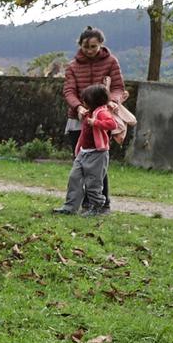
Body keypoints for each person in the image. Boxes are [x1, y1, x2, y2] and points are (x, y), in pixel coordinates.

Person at [61, 27, 126, 209]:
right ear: (80, 45)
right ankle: (78, 204)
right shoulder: (73, 66)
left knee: (97, 166)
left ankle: (101, 204)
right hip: (78, 119)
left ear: (101, 45)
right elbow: (69, 91)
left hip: (101, 119)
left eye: (93, 46)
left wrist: (112, 101)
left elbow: (118, 87)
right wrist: (79, 107)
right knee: (79, 165)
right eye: (85, 46)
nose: (89, 50)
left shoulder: (111, 62)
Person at [55, 84, 120, 217]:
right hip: (83, 152)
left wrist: (95, 123)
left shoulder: (102, 112)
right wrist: (83, 115)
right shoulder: (90, 112)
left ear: (94, 101)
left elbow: (112, 124)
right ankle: (70, 206)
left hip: (97, 154)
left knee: (93, 183)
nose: (83, 102)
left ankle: (97, 206)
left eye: (86, 100)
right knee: (74, 178)